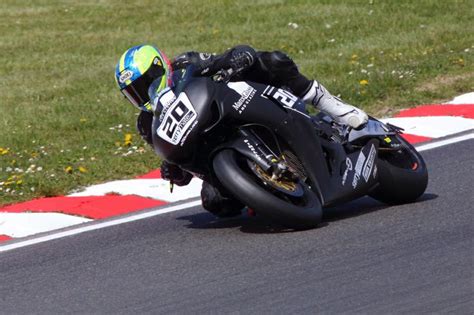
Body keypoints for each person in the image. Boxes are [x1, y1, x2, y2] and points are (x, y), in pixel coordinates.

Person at [115, 44, 368, 217]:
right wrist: (175, 170)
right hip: (215, 149)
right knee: (215, 203)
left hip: (239, 105)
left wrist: (237, 59)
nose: (144, 94)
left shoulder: (186, 65)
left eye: (147, 83)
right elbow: (181, 161)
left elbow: (228, 56)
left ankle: (331, 105)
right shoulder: (148, 124)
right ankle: (269, 194)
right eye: (135, 92)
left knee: (273, 61)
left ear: (161, 67)